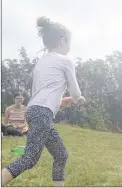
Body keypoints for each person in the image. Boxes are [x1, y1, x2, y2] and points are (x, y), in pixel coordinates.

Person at [1, 16, 86, 187]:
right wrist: (79, 99)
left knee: (61, 154)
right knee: (30, 158)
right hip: (42, 114)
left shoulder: (43, 61)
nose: (70, 46)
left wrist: (62, 101)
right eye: (70, 42)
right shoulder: (66, 61)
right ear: (63, 40)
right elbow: (76, 94)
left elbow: (42, 94)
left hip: (36, 111)